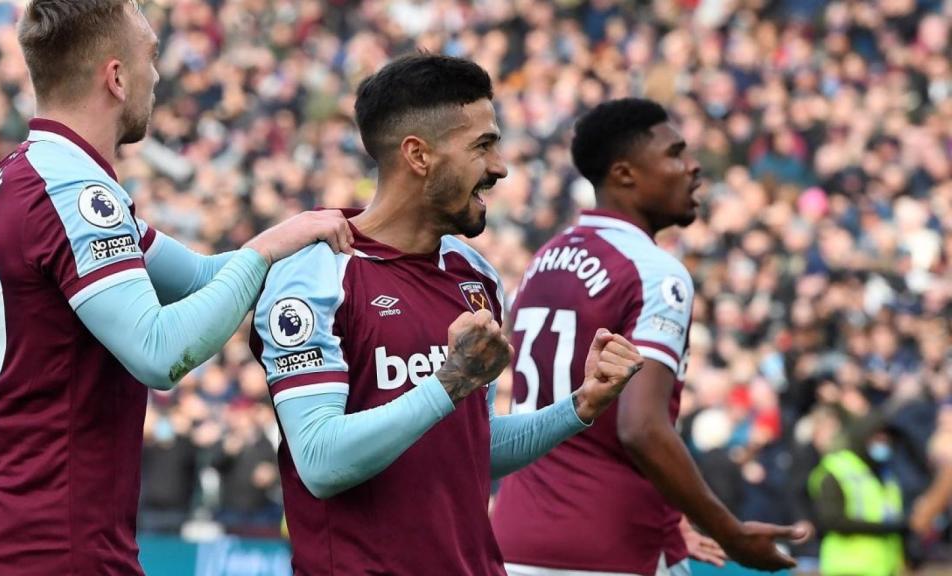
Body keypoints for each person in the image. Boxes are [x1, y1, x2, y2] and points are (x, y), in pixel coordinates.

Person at [0, 1, 351, 574]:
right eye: (152, 55)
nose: (159, 75)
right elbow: (159, 351)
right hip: (54, 547)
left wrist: (314, 252)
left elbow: (198, 278)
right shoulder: (74, 191)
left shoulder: (23, 173)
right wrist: (265, 250)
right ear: (116, 77)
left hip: (9, 531)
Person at [249, 54, 644, 575]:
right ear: (419, 155)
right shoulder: (316, 274)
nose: (500, 166)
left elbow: (473, 443)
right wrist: (449, 381)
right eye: (482, 146)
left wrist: (578, 406)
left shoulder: (474, 275)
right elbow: (321, 462)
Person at [490, 98, 808, 576]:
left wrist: (673, 516)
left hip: (515, 540)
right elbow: (640, 428)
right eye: (675, 153)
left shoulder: (543, 260)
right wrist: (730, 532)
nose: (693, 167)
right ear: (625, 174)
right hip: (613, 546)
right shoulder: (654, 271)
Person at [809, 415, 905, 576]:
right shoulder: (839, 469)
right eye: (877, 439)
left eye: (885, 440)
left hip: (884, 568)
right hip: (847, 568)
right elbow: (831, 520)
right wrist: (885, 528)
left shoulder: (887, 475)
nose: (882, 444)